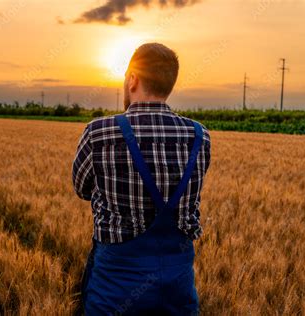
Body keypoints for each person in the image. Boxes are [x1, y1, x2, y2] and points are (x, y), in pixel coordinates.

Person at [72, 43, 211, 315]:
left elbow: (82, 189)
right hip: (178, 291)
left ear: (133, 79)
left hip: (113, 292)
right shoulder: (200, 136)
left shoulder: (98, 133)